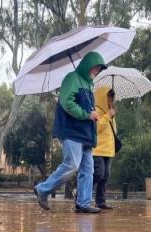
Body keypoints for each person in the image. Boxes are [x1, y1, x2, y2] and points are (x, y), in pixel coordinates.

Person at [34, 51, 107, 214]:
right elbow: (67, 102)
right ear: (88, 65)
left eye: (99, 69)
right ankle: (43, 189)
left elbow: (82, 106)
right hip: (72, 131)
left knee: (88, 170)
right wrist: (87, 114)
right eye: (95, 68)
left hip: (86, 135)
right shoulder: (72, 78)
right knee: (72, 165)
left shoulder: (89, 84)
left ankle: (83, 203)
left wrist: (92, 113)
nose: (96, 72)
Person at [92, 88, 117, 210]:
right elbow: (96, 128)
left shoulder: (110, 112)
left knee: (105, 176)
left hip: (108, 149)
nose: (110, 100)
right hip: (97, 149)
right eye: (108, 97)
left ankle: (100, 201)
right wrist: (108, 116)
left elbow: (112, 132)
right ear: (102, 97)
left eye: (112, 98)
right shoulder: (97, 110)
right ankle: (80, 192)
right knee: (98, 174)